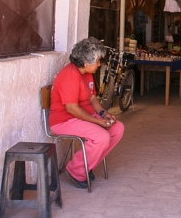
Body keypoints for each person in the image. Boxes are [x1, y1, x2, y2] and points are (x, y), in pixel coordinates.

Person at [49, 37, 125, 189]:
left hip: (83, 117)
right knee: (101, 137)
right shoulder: (69, 75)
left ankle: (87, 165)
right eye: (97, 61)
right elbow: (72, 109)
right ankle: (76, 170)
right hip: (65, 120)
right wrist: (97, 122)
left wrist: (103, 114)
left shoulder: (87, 73)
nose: (99, 64)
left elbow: (92, 98)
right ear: (85, 63)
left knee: (117, 128)